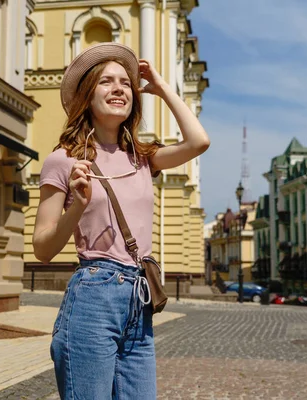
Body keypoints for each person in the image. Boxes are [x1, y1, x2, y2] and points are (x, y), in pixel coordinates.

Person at [32, 42, 210, 399]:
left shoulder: (143, 158)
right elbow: (42, 248)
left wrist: (161, 88)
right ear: (87, 94)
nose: (119, 88)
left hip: (139, 299)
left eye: (125, 82)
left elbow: (198, 141)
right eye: (106, 81)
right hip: (93, 298)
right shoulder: (63, 161)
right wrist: (77, 207)